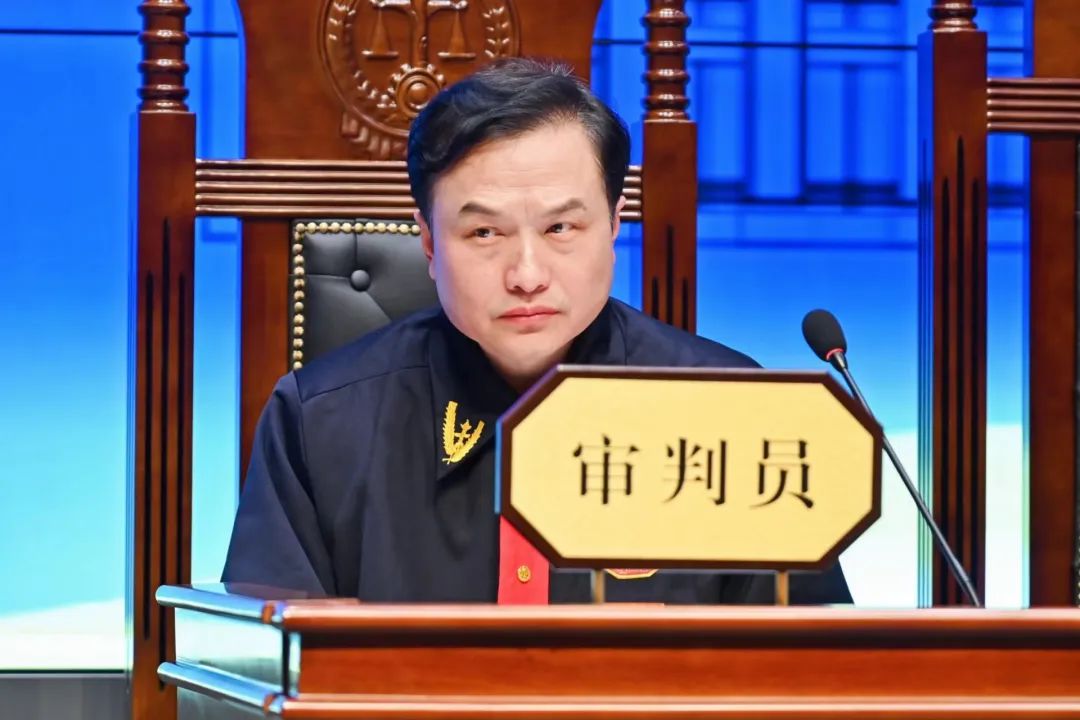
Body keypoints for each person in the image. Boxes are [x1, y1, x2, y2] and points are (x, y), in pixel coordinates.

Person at [222, 58, 851, 605]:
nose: (526, 276)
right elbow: (264, 669)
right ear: (429, 243)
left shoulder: (733, 412)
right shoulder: (317, 422)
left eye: (560, 229)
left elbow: (812, 674)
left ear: (614, 225)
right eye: (484, 233)